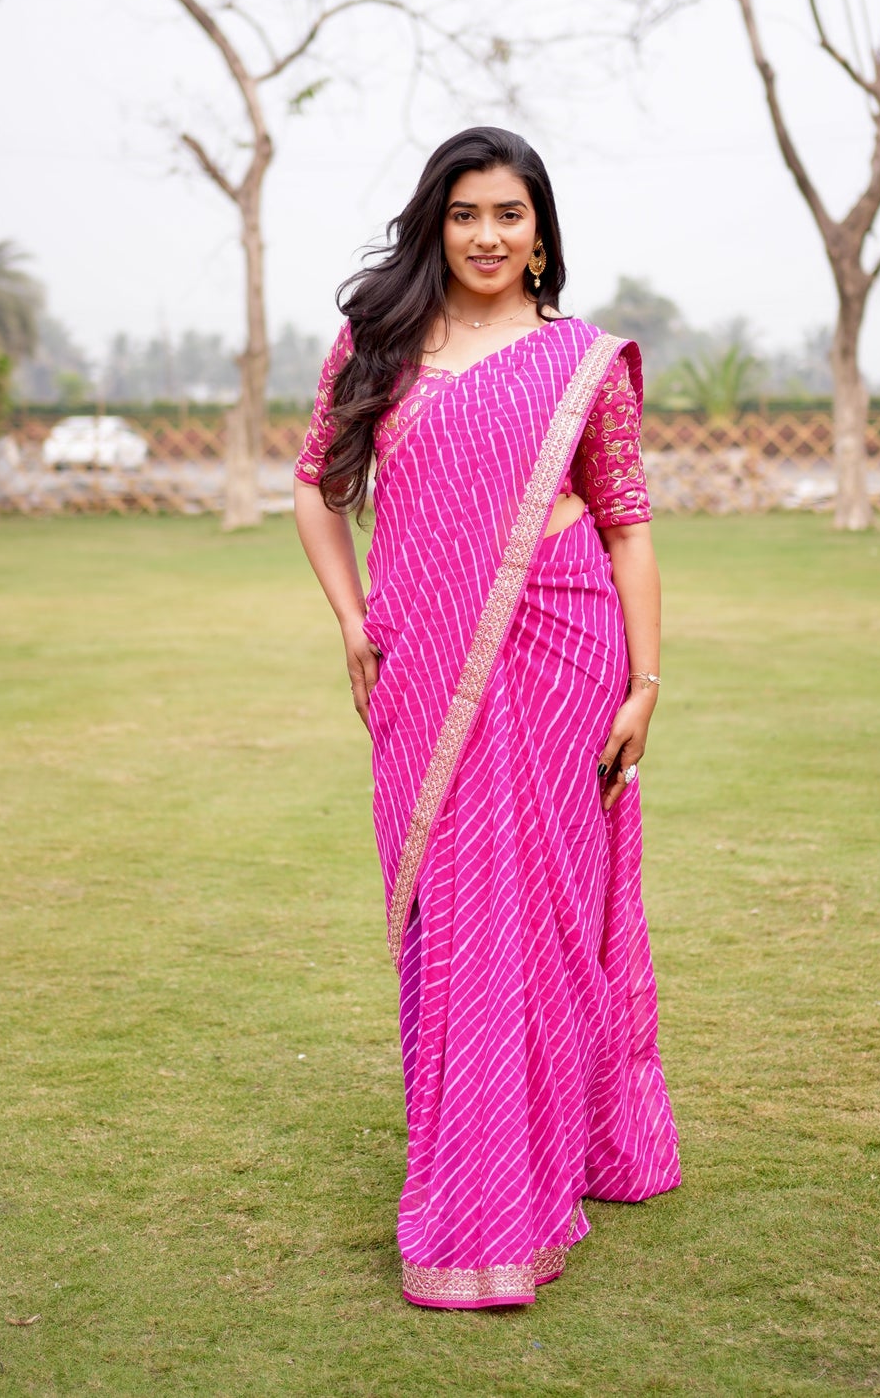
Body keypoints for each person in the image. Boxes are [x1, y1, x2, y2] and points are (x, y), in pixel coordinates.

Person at [294, 126, 679, 1309]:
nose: (486, 235)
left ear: (540, 230)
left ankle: (533, 1173)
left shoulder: (578, 359)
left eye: (509, 214)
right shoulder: (376, 344)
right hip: (421, 662)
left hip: (563, 644)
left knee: (546, 912)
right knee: (452, 911)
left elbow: (625, 523)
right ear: (436, 221)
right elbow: (315, 483)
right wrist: (354, 619)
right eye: (465, 213)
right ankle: (471, 1167)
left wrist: (647, 680)